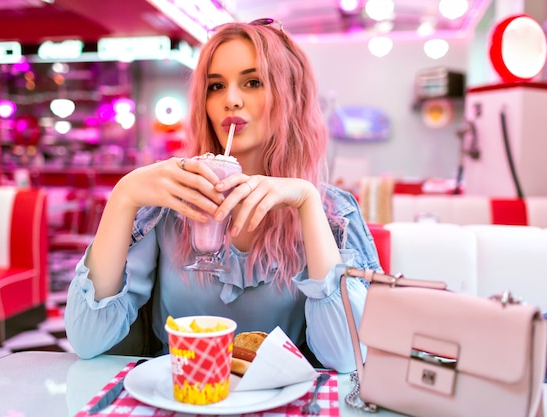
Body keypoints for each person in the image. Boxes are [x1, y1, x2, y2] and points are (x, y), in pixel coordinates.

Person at [64, 19, 381, 373]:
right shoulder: (166, 203)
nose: (230, 100)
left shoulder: (333, 211)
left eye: (253, 82)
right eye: (216, 86)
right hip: (177, 400)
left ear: (291, 95)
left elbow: (346, 355)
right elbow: (86, 340)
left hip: (280, 404)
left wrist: (306, 201)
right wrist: (122, 197)